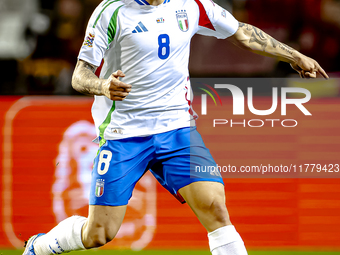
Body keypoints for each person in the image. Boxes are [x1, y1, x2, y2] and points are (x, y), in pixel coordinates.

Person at [23, 0, 328, 254]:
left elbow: (242, 33)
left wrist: (295, 56)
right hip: (124, 135)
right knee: (99, 234)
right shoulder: (112, 11)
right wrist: (103, 86)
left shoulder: (192, 5)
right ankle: (42, 246)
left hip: (177, 128)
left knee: (215, 209)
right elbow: (80, 75)